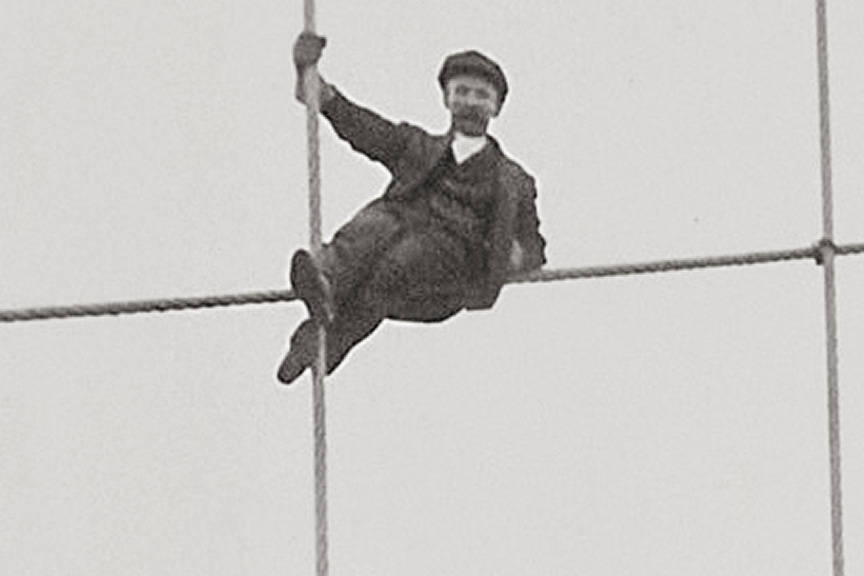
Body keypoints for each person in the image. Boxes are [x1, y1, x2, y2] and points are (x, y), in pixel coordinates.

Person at [278, 32, 546, 384]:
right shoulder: (417, 147)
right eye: (462, 92)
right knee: (373, 226)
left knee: (401, 261)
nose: (471, 101)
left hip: (446, 263)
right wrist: (316, 87)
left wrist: (515, 254)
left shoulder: (513, 181)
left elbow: (534, 247)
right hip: (394, 230)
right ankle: (324, 287)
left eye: (481, 95)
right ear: (447, 99)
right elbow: (367, 130)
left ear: (495, 107)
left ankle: (328, 340)